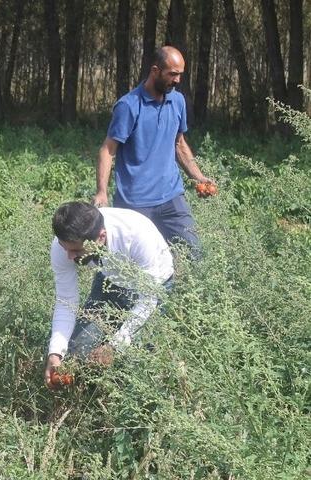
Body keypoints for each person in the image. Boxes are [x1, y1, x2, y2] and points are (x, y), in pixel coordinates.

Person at [92, 46, 213, 258]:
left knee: (195, 254)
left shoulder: (177, 101)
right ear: (155, 71)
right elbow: (107, 150)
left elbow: (179, 143)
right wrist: (101, 192)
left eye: (180, 75)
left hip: (171, 197)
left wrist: (199, 177)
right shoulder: (129, 106)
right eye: (172, 74)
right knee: (129, 264)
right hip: (134, 203)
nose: (177, 80)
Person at [43, 202, 174, 388]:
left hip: (154, 287)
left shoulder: (136, 235)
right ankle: (90, 397)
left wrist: (114, 347)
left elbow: (148, 299)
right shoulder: (63, 245)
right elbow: (66, 302)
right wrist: (55, 353)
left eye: (76, 251)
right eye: (66, 249)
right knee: (78, 350)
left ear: (101, 237)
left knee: (139, 363)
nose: (70, 257)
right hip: (110, 282)